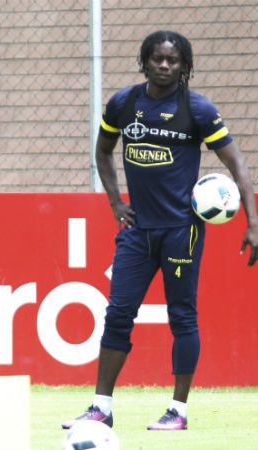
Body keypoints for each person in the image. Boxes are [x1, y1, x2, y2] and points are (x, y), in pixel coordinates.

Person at [62, 30, 258, 432]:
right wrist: (116, 202)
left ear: (185, 66)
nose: (165, 66)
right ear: (145, 61)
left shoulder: (197, 109)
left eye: (173, 60)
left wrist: (253, 223)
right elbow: (102, 150)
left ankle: (178, 411)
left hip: (181, 231)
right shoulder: (123, 103)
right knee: (118, 313)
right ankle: (101, 407)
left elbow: (237, 163)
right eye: (158, 59)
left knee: (182, 317)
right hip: (137, 232)